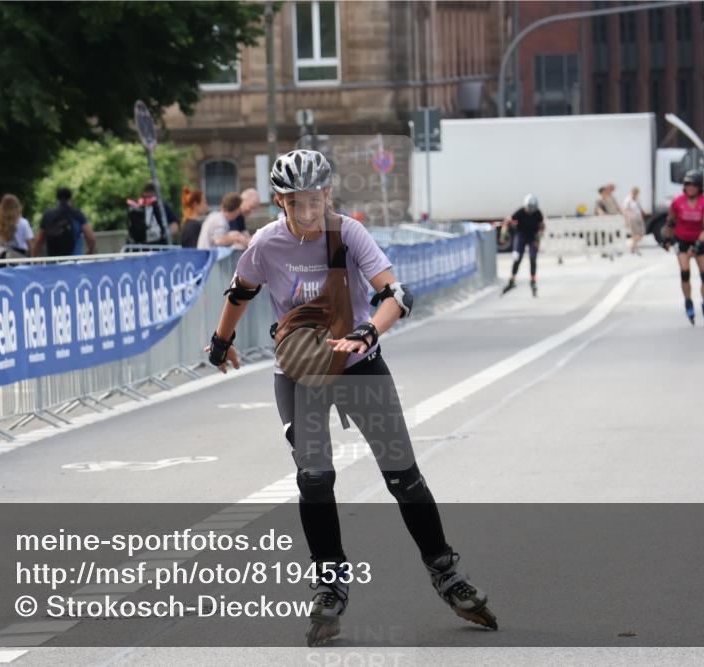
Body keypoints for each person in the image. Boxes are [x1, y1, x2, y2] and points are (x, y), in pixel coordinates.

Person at [203, 149, 497, 646]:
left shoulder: (349, 234)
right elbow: (241, 290)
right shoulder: (265, 243)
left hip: (359, 364)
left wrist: (367, 332)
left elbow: (396, 295)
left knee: (403, 476)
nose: (309, 212)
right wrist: (220, 342)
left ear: (328, 195)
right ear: (281, 201)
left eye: (316, 200)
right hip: (299, 374)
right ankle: (329, 585)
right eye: (298, 203)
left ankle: (446, 573)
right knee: (314, 477)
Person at [664, 170, 704, 326]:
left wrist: (696, 246)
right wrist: (667, 239)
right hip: (682, 240)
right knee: (685, 272)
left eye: (694, 185)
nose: (690, 187)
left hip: (698, 240)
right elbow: (671, 221)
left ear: (699, 187)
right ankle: (688, 301)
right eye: (687, 184)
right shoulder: (678, 202)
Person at [501, 194, 545, 297]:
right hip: (521, 235)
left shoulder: (538, 213)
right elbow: (507, 221)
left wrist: (538, 239)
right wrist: (504, 233)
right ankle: (512, 280)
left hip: (532, 237)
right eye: (529, 208)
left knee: (533, 258)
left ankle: (533, 280)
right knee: (517, 257)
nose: (530, 211)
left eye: (532, 209)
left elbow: (542, 226)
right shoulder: (520, 212)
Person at [31, 187, 96, 257]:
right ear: (70, 199)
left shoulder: (48, 216)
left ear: (57, 199)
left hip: (54, 262)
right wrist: (91, 251)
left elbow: (39, 241)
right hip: (74, 262)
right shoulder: (77, 214)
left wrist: (34, 258)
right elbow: (90, 237)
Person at [0, 194, 35, 259]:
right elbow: (31, 244)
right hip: (20, 259)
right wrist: (33, 261)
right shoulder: (23, 223)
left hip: (2, 257)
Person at [622, 186, 646, 255]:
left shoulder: (637, 199)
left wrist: (643, 212)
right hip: (632, 218)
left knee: (641, 233)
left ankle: (632, 246)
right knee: (635, 234)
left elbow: (640, 208)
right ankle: (635, 248)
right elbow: (625, 209)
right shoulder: (628, 200)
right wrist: (626, 220)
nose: (636, 194)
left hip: (639, 217)